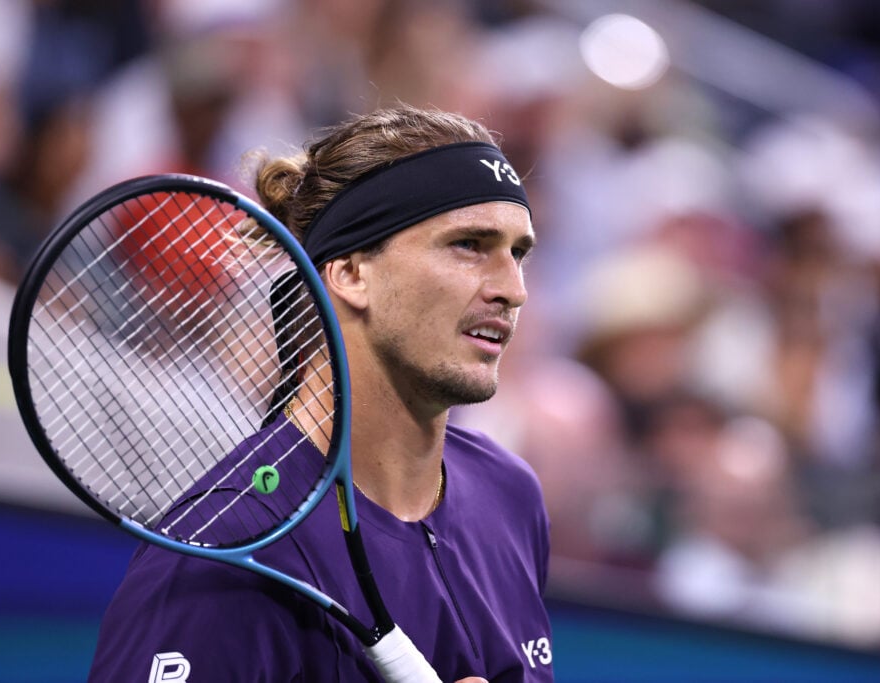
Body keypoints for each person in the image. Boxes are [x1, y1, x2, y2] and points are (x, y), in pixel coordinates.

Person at [87, 105, 554, 682]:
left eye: (518, 253)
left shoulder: (510, 495)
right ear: (352, 272)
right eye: (468, 244)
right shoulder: (223, 555)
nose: (513, 289)